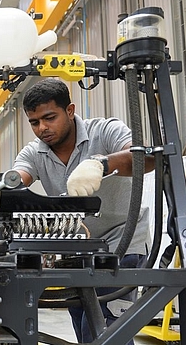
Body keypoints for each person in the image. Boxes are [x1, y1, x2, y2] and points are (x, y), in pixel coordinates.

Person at [11, 78, 152, 343]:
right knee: (85, 328)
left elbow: (146, 157)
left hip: (121, 244)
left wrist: (101, 164)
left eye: (49, 118)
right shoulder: (35, 152)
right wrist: (2, 191)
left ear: (70, 110)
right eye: (34, 122)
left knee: (105, 331)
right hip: (77, 252)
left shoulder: (106, 131)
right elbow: (18, 177)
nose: (42, 128)